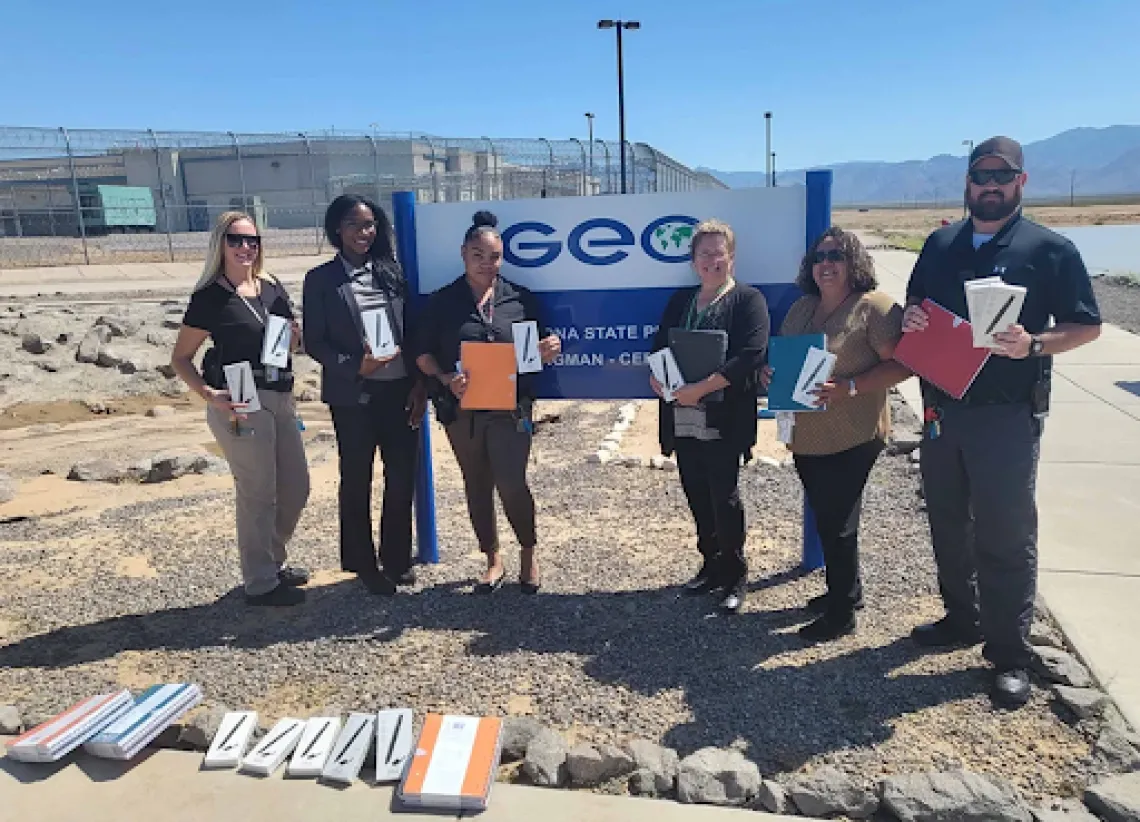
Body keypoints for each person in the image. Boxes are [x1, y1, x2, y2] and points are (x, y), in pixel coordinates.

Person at [903, 136, 1102, 708]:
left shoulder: (1050, 249)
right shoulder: (940, 244)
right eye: (980, 176)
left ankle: (1009, 654)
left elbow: (1085, 325)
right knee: (946, 521)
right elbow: (916, 309)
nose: (990, 186)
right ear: (967, 183)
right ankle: (961, 620)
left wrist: (1033, 343)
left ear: (1021, 182)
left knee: (1005, 533)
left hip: (1007, 416)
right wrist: (913, 316)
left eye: (1001, 176)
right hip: (942, 409)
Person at [761, 227, 911, 641]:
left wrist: (850, 387)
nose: (826, 264)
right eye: (820, 257)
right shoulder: (802, 308)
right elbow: (782, 357)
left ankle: (841, 614)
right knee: (830, 517)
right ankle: (847, 592)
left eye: (836, 256)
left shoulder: (874, 308)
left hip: (855, 433)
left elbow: (904, 365)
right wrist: (767, 372)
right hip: (807, 435)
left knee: (837, 521)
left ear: (853, 263)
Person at [414, 211, 560, 594]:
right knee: (476, 482)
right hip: (461, 411)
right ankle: (492, 558)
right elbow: (422, 354)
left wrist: (550, 348)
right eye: (478, 254)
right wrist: (446, 378)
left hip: (511, 408)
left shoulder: (519, 298)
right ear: (463, 253)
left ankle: (528, 550)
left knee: (511, 482)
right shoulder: (443, 301)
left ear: (502, 257)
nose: (486, 263)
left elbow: (542, 344)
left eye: (493, 256)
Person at [171, 211, 310, 606]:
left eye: (252, 240)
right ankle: (261, 581)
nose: (246, 247)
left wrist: (297, 339)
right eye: (236, 240)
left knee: (296, 488)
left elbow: (287, 344)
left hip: (282, 394)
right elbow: (180, 358)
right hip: (240, 398)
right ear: (221, 244)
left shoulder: (270, 287)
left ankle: (271, 559)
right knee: (258, 491)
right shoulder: (210, 297)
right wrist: (208, 394)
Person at [302, 195, 426, 596]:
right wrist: (355, 364)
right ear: (337, 228)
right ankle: (360, 559)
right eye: (355, 225)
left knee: (401, 475)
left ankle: (396, 558)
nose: (364, 232)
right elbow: (316, 343)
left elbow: (413, 332)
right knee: (357, 477)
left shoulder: (392, 273)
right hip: (352, 394)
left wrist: (419, 383)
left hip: (399, 389)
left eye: (370, 224)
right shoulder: (320, 279)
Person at [650, 219, 770, 613]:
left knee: (724, 494)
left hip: (724, 417)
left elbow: (751, 355)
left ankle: (736, 573)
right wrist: (657, 378)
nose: (712, 261)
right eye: (705, 254)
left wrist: (701, 389)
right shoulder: (680, 301)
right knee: (695, 491)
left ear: (731, 259)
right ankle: (710, 565)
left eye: (720, 253)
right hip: (682, 416)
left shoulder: (748, 300)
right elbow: (659, 345)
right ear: (693, 260)